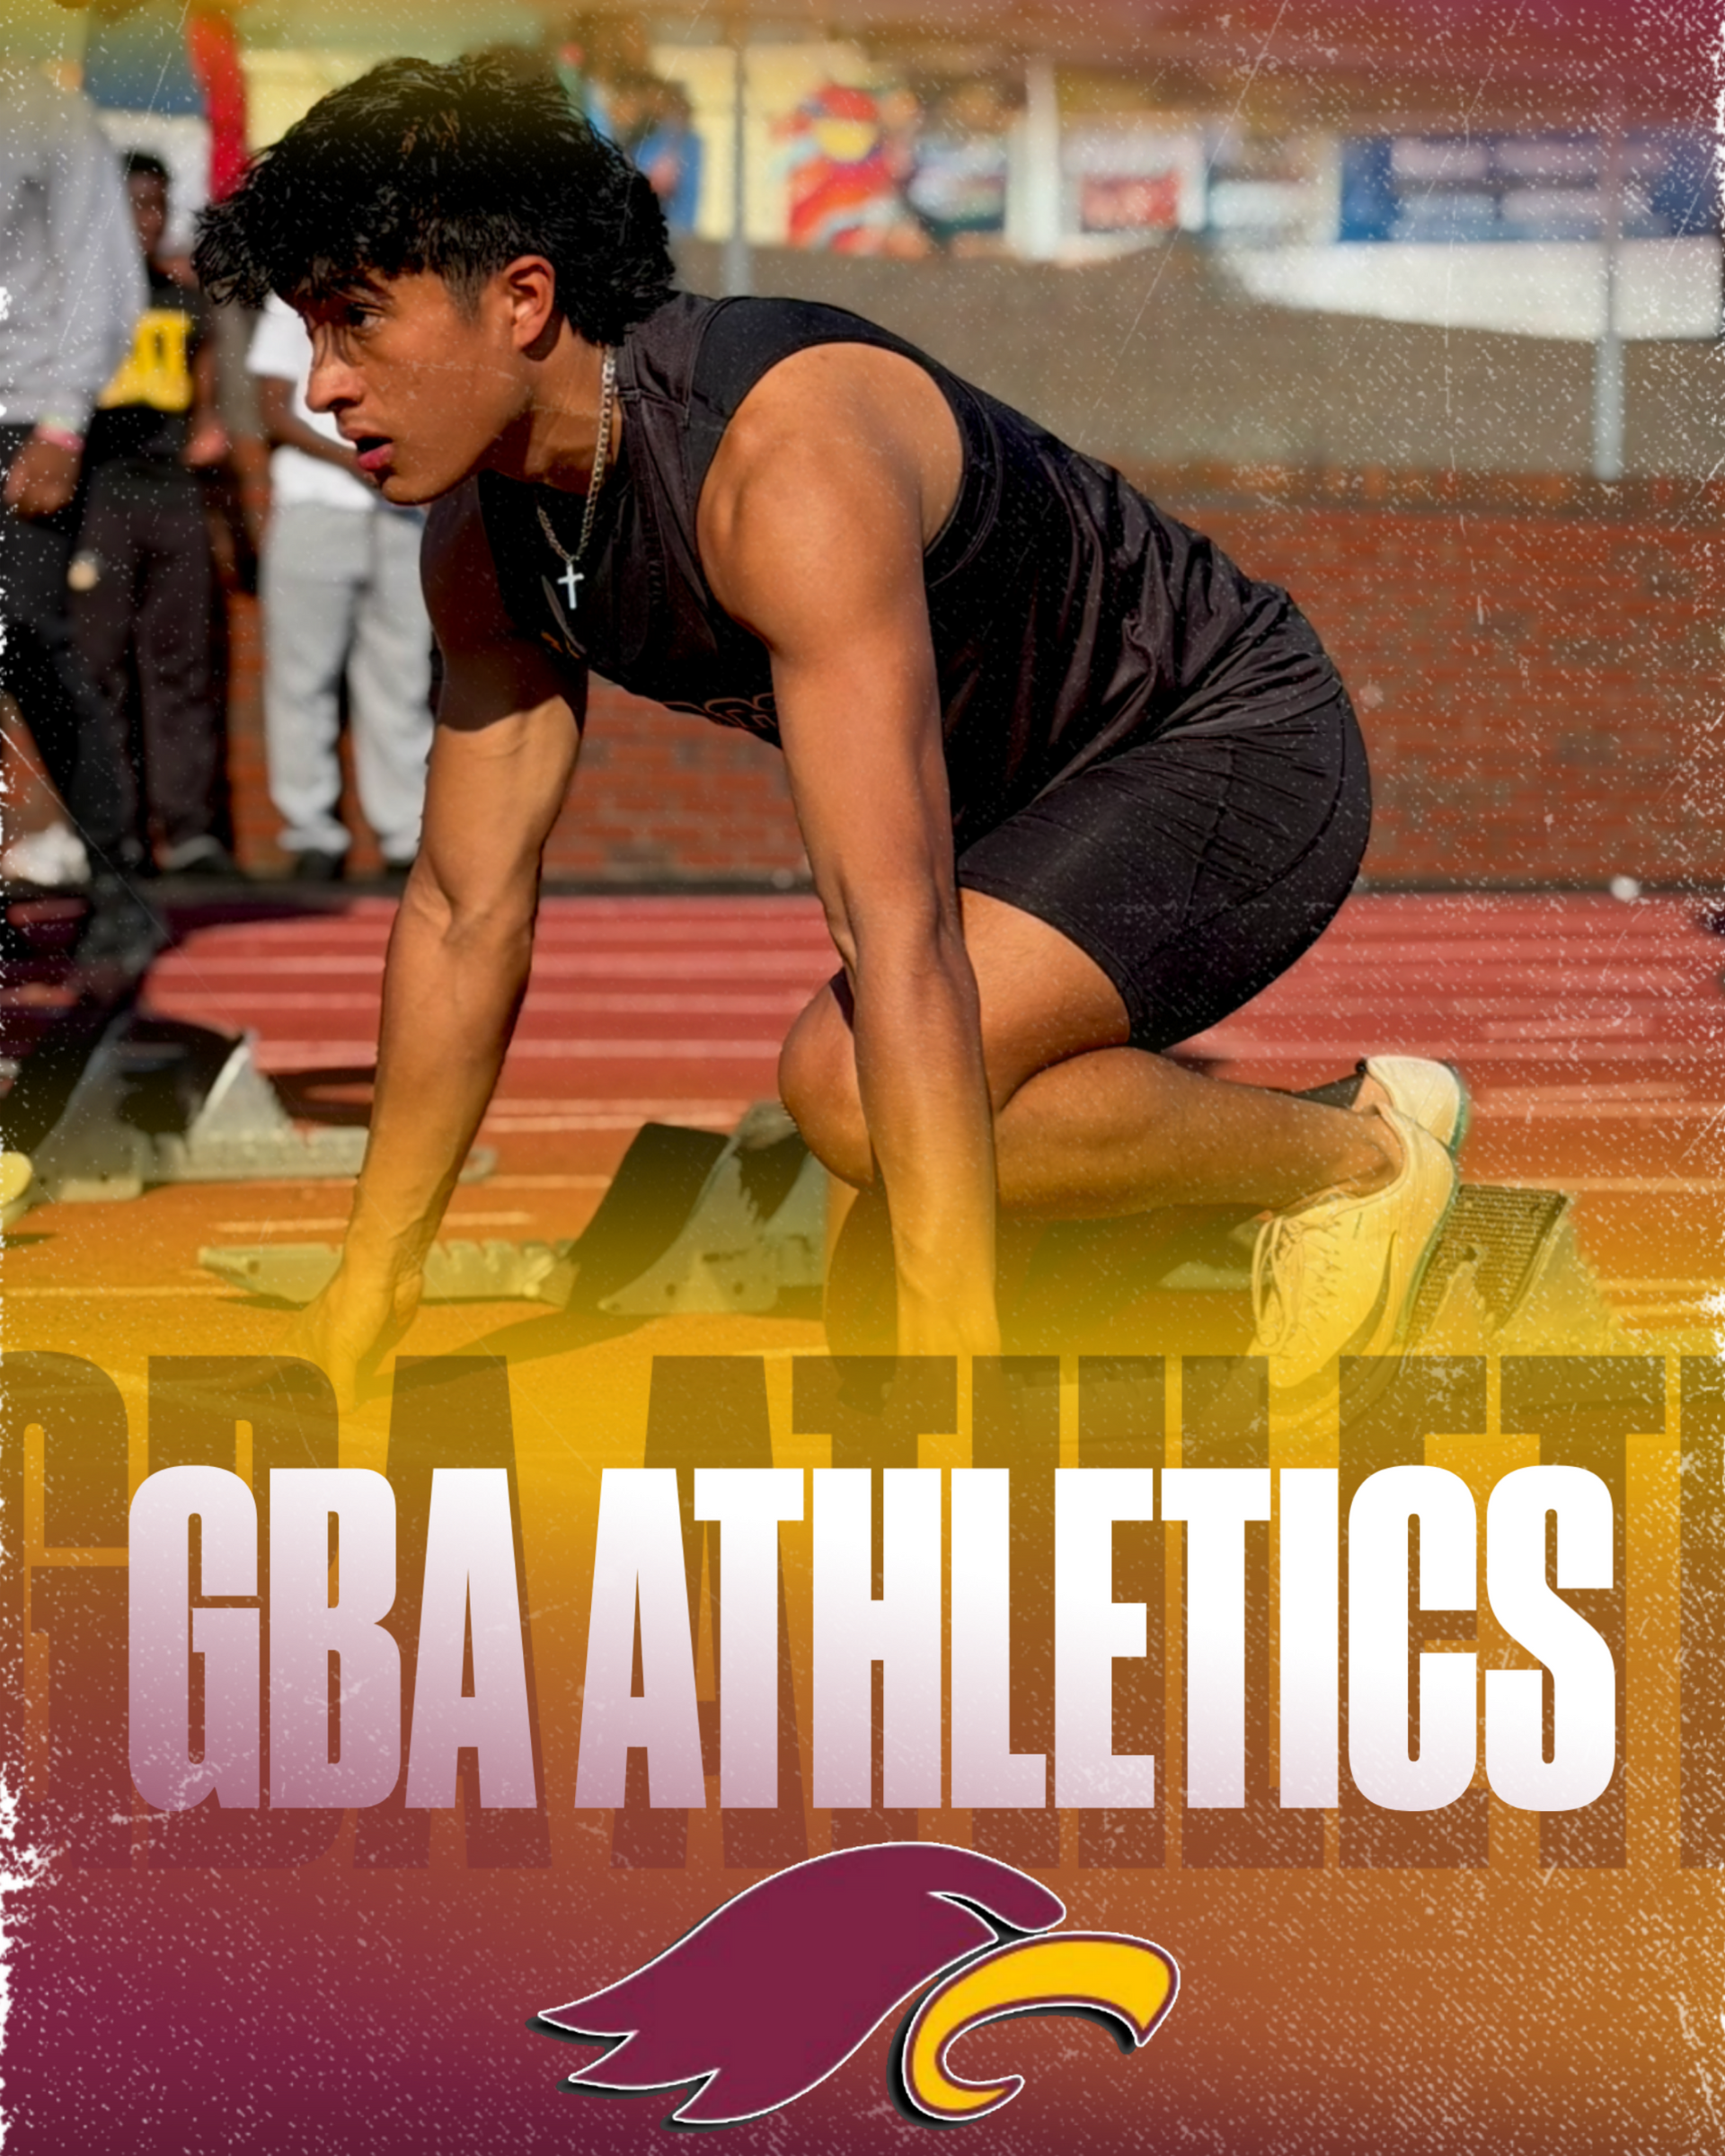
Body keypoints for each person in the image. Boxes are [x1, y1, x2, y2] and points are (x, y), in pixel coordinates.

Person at [194, 56, 1463, 1400]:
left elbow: (896, 930)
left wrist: (953, 1384)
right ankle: (1223, 1166)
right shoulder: (482, 542)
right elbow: (462, 914)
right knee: (887, 1250)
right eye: (310, 336)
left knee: (852, 1102)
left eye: (356, 327)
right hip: (1017, 820)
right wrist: (369, 1289)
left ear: (522, 300)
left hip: (1224, 740)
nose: (323, 388)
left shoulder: (777, 463)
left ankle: (1363, 1157)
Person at [0, 50, 161, 962]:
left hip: (21, 417)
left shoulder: (43, 113)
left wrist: (62, 426)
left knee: (25, 636)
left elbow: (104, 275)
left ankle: (117, 876)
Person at [71, 152, 236, 879]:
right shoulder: (75, 300)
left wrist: (208, 433)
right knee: (99, 666)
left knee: (182, 662)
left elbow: (205, 399)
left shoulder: (182, 299)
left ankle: (191, 829)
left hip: (171, 490)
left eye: (156, 207)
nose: (146, 221)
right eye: (134, 204)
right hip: (101, 490)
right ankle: (116, 830)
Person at [247, 293, 433, 879]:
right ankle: (311, 832)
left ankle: (405, 831)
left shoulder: (402, 300)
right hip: (315, 507)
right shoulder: (292, 302)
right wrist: (352, 459)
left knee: (402, 677)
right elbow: (271, 409)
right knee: (303, 678)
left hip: (401, 512)